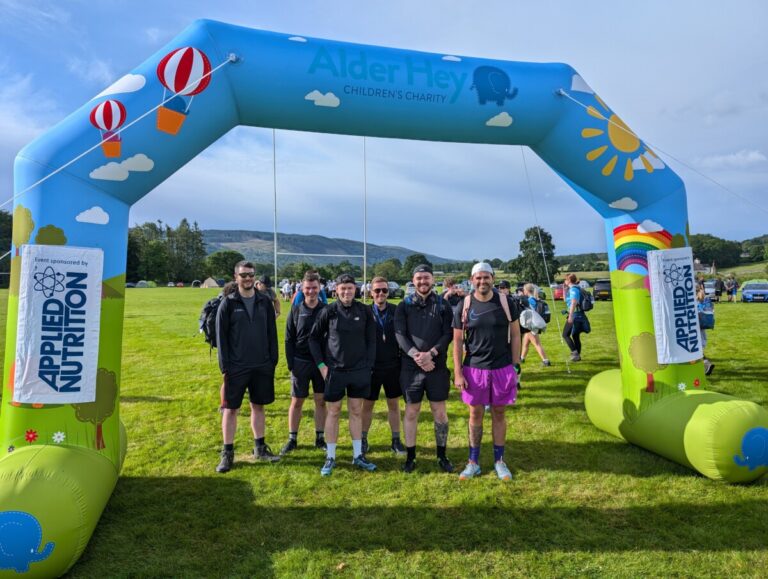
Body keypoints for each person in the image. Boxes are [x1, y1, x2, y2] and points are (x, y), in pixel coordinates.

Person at [452, 262, 521, 481]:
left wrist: (516, 364)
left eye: (486, 277)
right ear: (472, 280)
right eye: (478, 278)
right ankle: (473, 462)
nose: (482, 281)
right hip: (474, 369)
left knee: (499, 413)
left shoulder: (506, 302)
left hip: (502, 367)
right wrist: (458, 372)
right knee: (475, 414)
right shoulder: (464, 305)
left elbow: (516, 334)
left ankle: (499, 461)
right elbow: (457, 341)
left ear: (493, 278)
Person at [309, 273, 377, 476]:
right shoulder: (328, 311)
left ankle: (358, 456)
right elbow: (313, 339)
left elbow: (372, 341)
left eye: (350, 288)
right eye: (342, 288)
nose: (346, 292)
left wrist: (369, 366)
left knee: (356, 411)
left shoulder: (365, 311)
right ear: (335, 290)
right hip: (335, 371)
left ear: (356, 290)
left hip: (359, 371)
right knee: (334, 412)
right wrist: (322, 365)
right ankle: (330, 457)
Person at [215, 261, 280, 473]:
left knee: (258, 406)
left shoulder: (264, 301)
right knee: (230, 409)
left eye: (251, 274)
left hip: (262, 365)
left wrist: (272, 361)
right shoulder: (229, 303)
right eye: (243, 275)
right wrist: (225, 366)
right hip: (236, 366)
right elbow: (221, 338)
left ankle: (260, 448)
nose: (248, 278)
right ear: (236, 277)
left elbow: (272, 333)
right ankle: (227, 453)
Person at [394, 264, 454, 474]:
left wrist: (432, 354)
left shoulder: (443, 305)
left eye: (426, 278)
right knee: (412, 411)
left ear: (432, 279)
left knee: (439, 411)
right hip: (411, 368)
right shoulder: (404, 305)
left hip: (436, 366)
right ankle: (411, 456)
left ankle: (442, 455)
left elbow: (448, 335)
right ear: (413, 280)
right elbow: (400, 335)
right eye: (419, 278)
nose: (422, 282)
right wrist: (418, 357)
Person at [280, 271, 328, 456]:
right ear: (302, 288)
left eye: (314, 288)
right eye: (307, 288)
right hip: (300, 362)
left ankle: (320, 437)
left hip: (321, 364)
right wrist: (291, 363)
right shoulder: (296, 309)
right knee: (297, 401)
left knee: (320, 401)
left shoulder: (326, 310)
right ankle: (292, 439)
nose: (311, 291)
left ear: (319, 288)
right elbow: (288, 338)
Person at [361, 277, 406, 456]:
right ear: (371, 292)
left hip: (393, 365)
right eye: (377, 290)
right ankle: (363, 439)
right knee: (368, 405)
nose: (381, 294)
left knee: (393, 404)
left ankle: (396, 440)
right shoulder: (365, 312)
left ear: (388, 292)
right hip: (371, 367)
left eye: (384, 291)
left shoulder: (396, 311)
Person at [521, 283, 551, 367]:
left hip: (532, 325)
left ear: (526, 291)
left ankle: (546, 360)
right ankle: (522, 358)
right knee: (525, 342)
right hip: (532, 324)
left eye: (524, 290)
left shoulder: (529, 300)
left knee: (537, 343)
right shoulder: (534, 299)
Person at [562, 273, 588, 362]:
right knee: (575, 335)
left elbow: (573, 302)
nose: (564, 281)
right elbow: (566, 300)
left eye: (565, 280)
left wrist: (570, 316)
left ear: (569, 280)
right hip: (577, 314)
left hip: (575, 314)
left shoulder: (574, 289)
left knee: (565, 334)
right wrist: (564, 290)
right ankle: (577, 357)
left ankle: (575, 353)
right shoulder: (573, 289)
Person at [696, 287, 715, 376]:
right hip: (702, 327)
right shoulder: (706, 301)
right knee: (698, 349)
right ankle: (706, 364)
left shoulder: (693, 301)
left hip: (695, 328)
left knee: (695, 350)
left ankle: (706, 364)